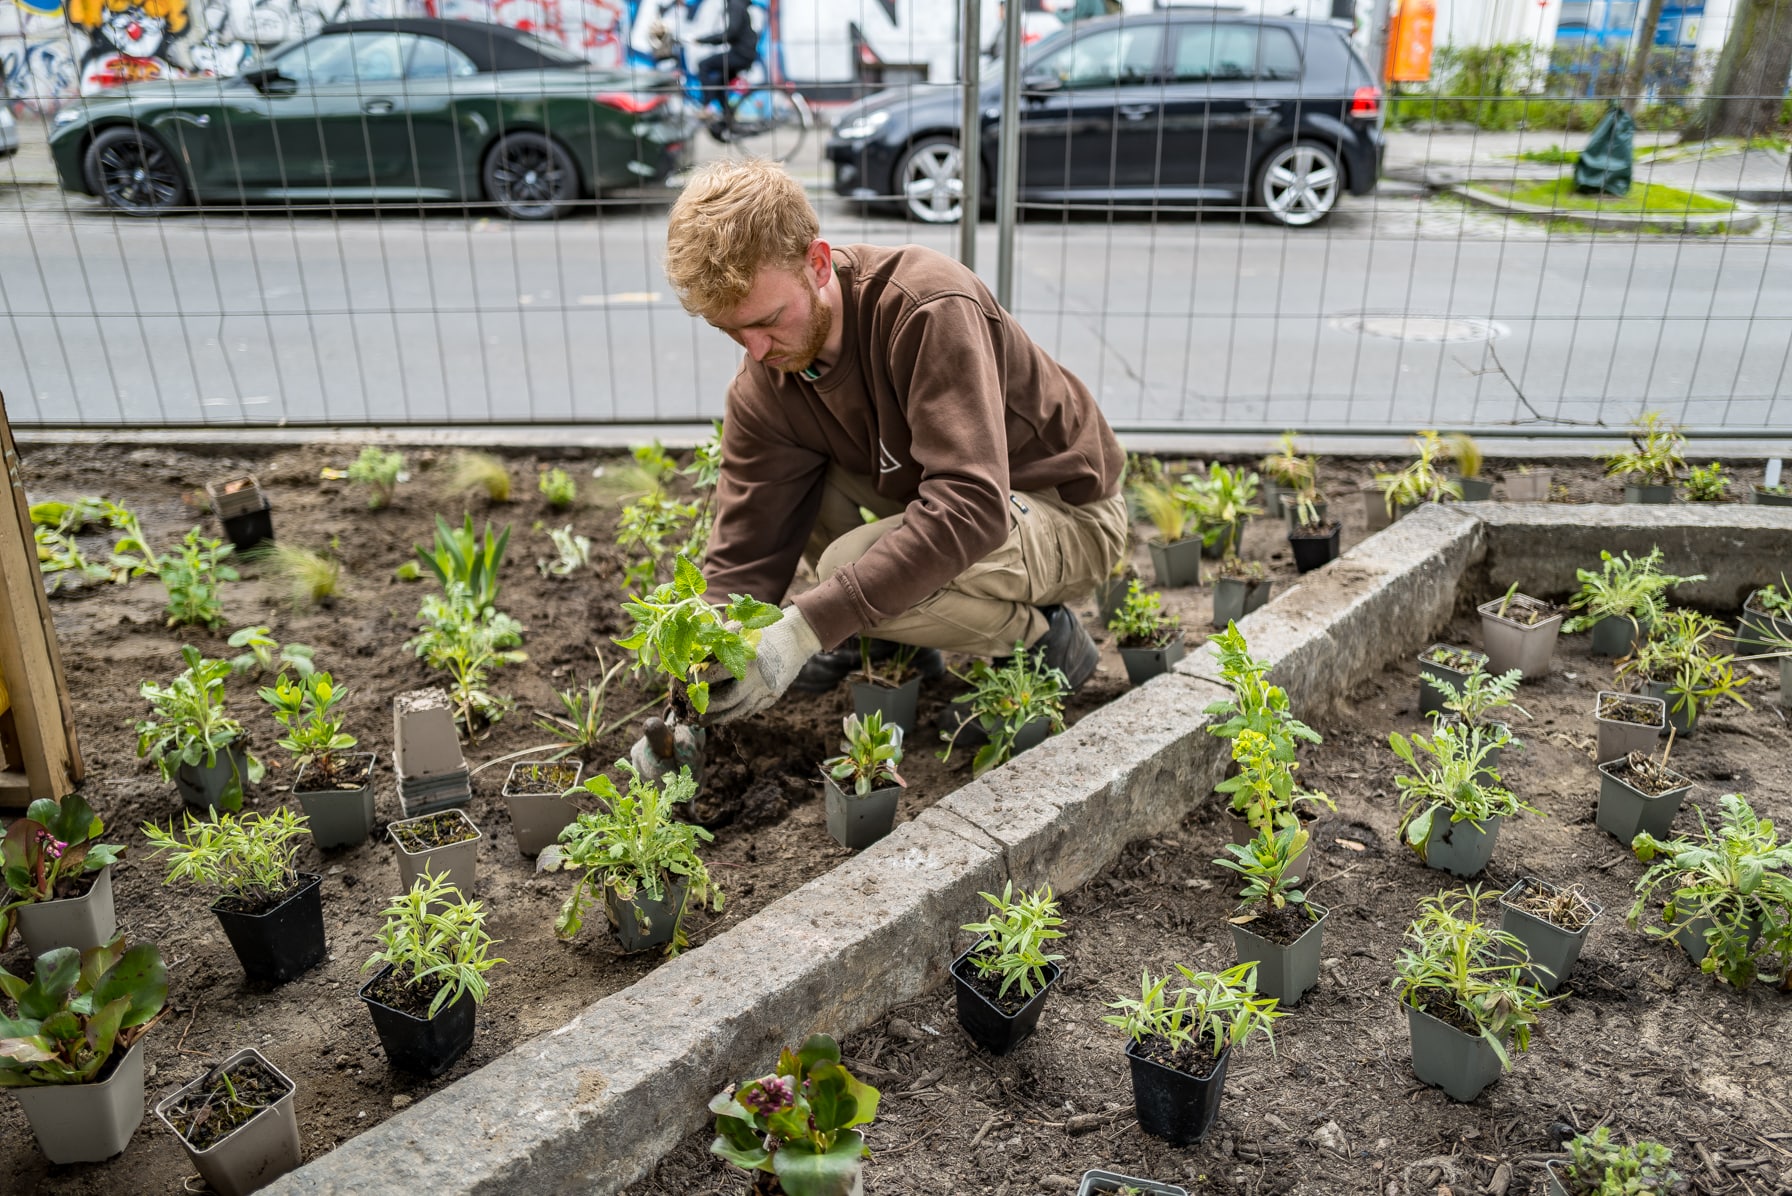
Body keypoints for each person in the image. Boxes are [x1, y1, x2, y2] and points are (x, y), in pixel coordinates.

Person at [634, 158, 1127, 774]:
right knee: (801, 496)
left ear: (817, 264)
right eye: (731, 331)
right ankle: (895, 635)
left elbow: (971, 507)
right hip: (943, 500)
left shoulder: (924, 307)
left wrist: (805, 631)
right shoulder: (767, 381)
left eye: (766, 321)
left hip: (1061, 512)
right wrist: (694, 688)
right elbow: (745, 555)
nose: (756, 351)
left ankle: (1041, 643)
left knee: (842, 572)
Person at [694, 0, 759, 110]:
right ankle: (727, 119)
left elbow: (731, 33)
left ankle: (707, 104)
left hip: (741, 55)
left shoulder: (735, 4)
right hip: (744, 54)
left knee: (703, 64)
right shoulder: (738, 4)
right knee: (719, 85)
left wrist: (704, 40)